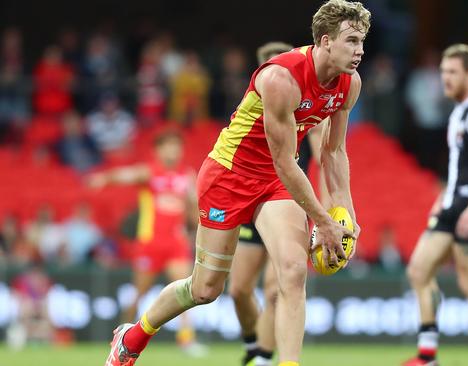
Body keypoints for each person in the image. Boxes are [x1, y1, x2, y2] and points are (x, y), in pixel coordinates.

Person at [104, 2, 369, 365]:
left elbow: (334, 153)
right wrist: (323, 221)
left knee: (292, 271)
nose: (360, 51)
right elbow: (283, 160)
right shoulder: (281, 79)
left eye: (362, 42)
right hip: (228, 176)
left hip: (276, 181)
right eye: (351, 41)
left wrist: (347, 218)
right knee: (205, 289)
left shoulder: (349, 83)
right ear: (325, 41)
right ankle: (132, 336)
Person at [403, 44, 468, 366]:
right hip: (453, 203)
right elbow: (460, 167)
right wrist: (443, 199)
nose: (445, 79)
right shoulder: (459, 112)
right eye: (443, 72)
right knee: (419, 270)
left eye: (452, 73)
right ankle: (427, 355)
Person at [228, 41, 330, 366]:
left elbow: (327, 156)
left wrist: (326, 215)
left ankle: (263, 357)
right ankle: (253, 343)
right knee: (239, 290)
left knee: (278, 287)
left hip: (288, 201)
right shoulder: (256, 105)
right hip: (252, 199)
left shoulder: (311, 109)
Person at [90, 130, 205, 356]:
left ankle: (186, 339)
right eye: (169, 146)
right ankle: (122, 335)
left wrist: (198, 228)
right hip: (150, 243)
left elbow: (192, 206)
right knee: (139, 294)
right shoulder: (149, 171)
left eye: (176, 146)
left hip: (175, 243)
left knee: (186, 289)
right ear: (158, 150)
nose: (174, 150)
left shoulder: (186, 175)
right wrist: (104, 178)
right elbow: (125, 175)